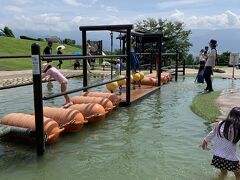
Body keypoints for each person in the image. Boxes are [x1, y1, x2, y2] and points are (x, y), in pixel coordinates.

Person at [200, 107, 240, 179]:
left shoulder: (221, 123)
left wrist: (205, 140)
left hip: (217, 156)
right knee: (238, 174)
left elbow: (212, 132)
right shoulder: (237, 128)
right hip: (230, 158)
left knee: (223, 173)